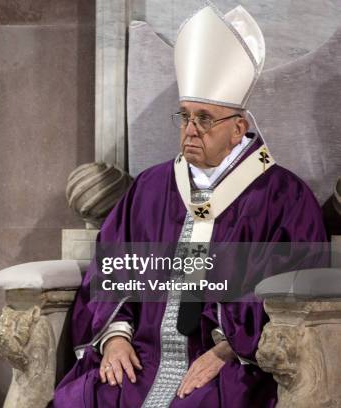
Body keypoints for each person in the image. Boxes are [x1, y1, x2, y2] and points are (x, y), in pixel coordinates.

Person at [52, 2, 327, 407]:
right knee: (85, 397)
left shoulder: (284, 197)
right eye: (184, 117)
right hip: (140, 356)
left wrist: (224, 350)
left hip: (233, 362)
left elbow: (293, 292)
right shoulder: (150, 188)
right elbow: (111, 267)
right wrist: (115, 338)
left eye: (204, 119)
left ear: (239, 129)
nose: (190, 131)